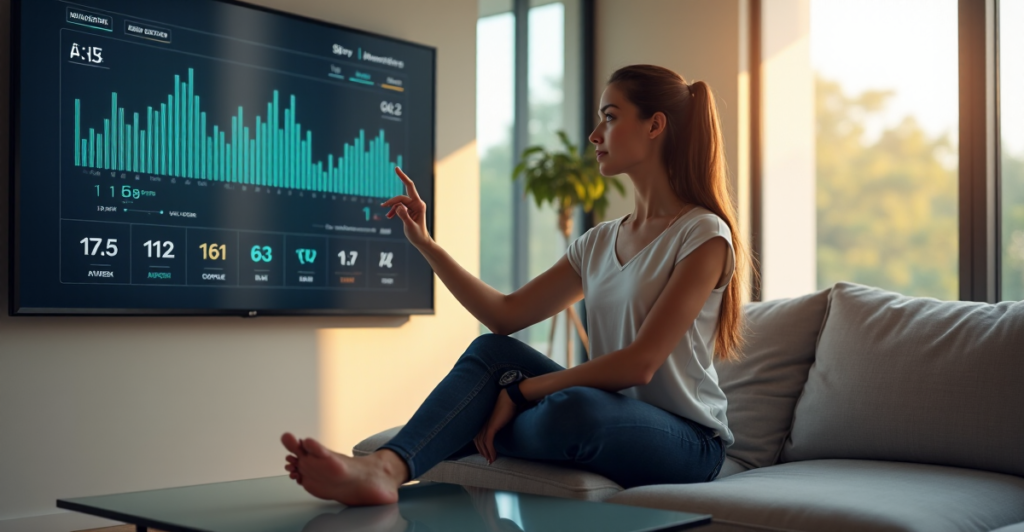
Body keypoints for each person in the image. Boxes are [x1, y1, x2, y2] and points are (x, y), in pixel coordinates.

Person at [281, 64, 754, 507]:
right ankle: (384, 468)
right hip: (606, 410)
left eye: (610, 118)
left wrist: (522, 392)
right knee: (492, 353)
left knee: (573, 412)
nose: (594, 135)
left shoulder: (704, 234)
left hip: (687, 441)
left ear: (655, 125)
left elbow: (641, 364)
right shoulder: (598, 241)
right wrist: (426, 244)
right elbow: (505, 315)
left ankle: (448, 431)